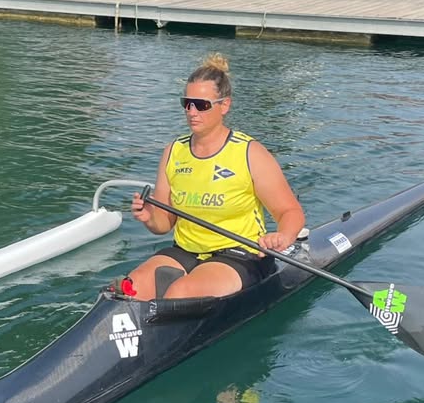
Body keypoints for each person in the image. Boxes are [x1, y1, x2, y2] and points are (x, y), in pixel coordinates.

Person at [127, 53, 305, 301]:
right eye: (187, 103)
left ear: (224, 105)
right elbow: (164, 225)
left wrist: (283, 236)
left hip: (241, 253)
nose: (192, 112)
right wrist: (149, 218)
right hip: (187, 250)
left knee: (181, 292)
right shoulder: (173, 152)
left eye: (201, 105)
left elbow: (291, 211)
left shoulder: (250, 153)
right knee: (129, 287)